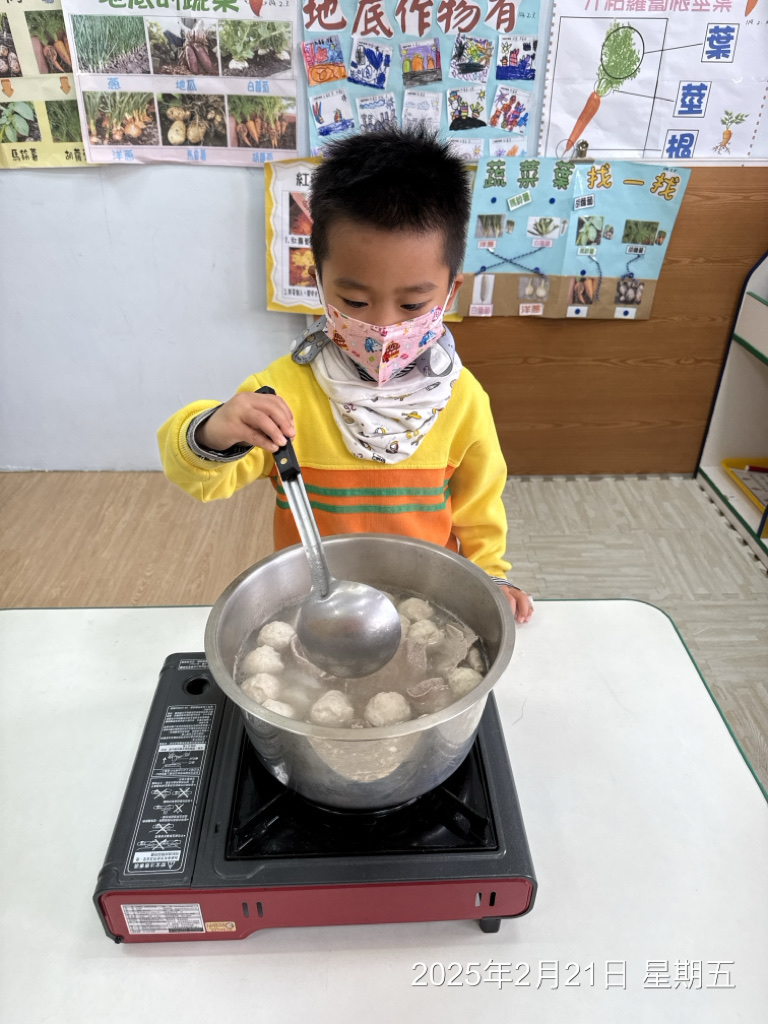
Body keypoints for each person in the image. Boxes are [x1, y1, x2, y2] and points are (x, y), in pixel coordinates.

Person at [157, 126, 533, 624]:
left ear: (450, 291)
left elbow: (479, 507)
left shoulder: (463, 399)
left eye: (412, 304)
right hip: (314, 605)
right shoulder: (282, 391)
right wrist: (213, 430)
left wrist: (492, 576)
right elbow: (200, 480)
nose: (383, 326)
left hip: (427, 603)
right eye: (354, 301)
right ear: (316, 280)